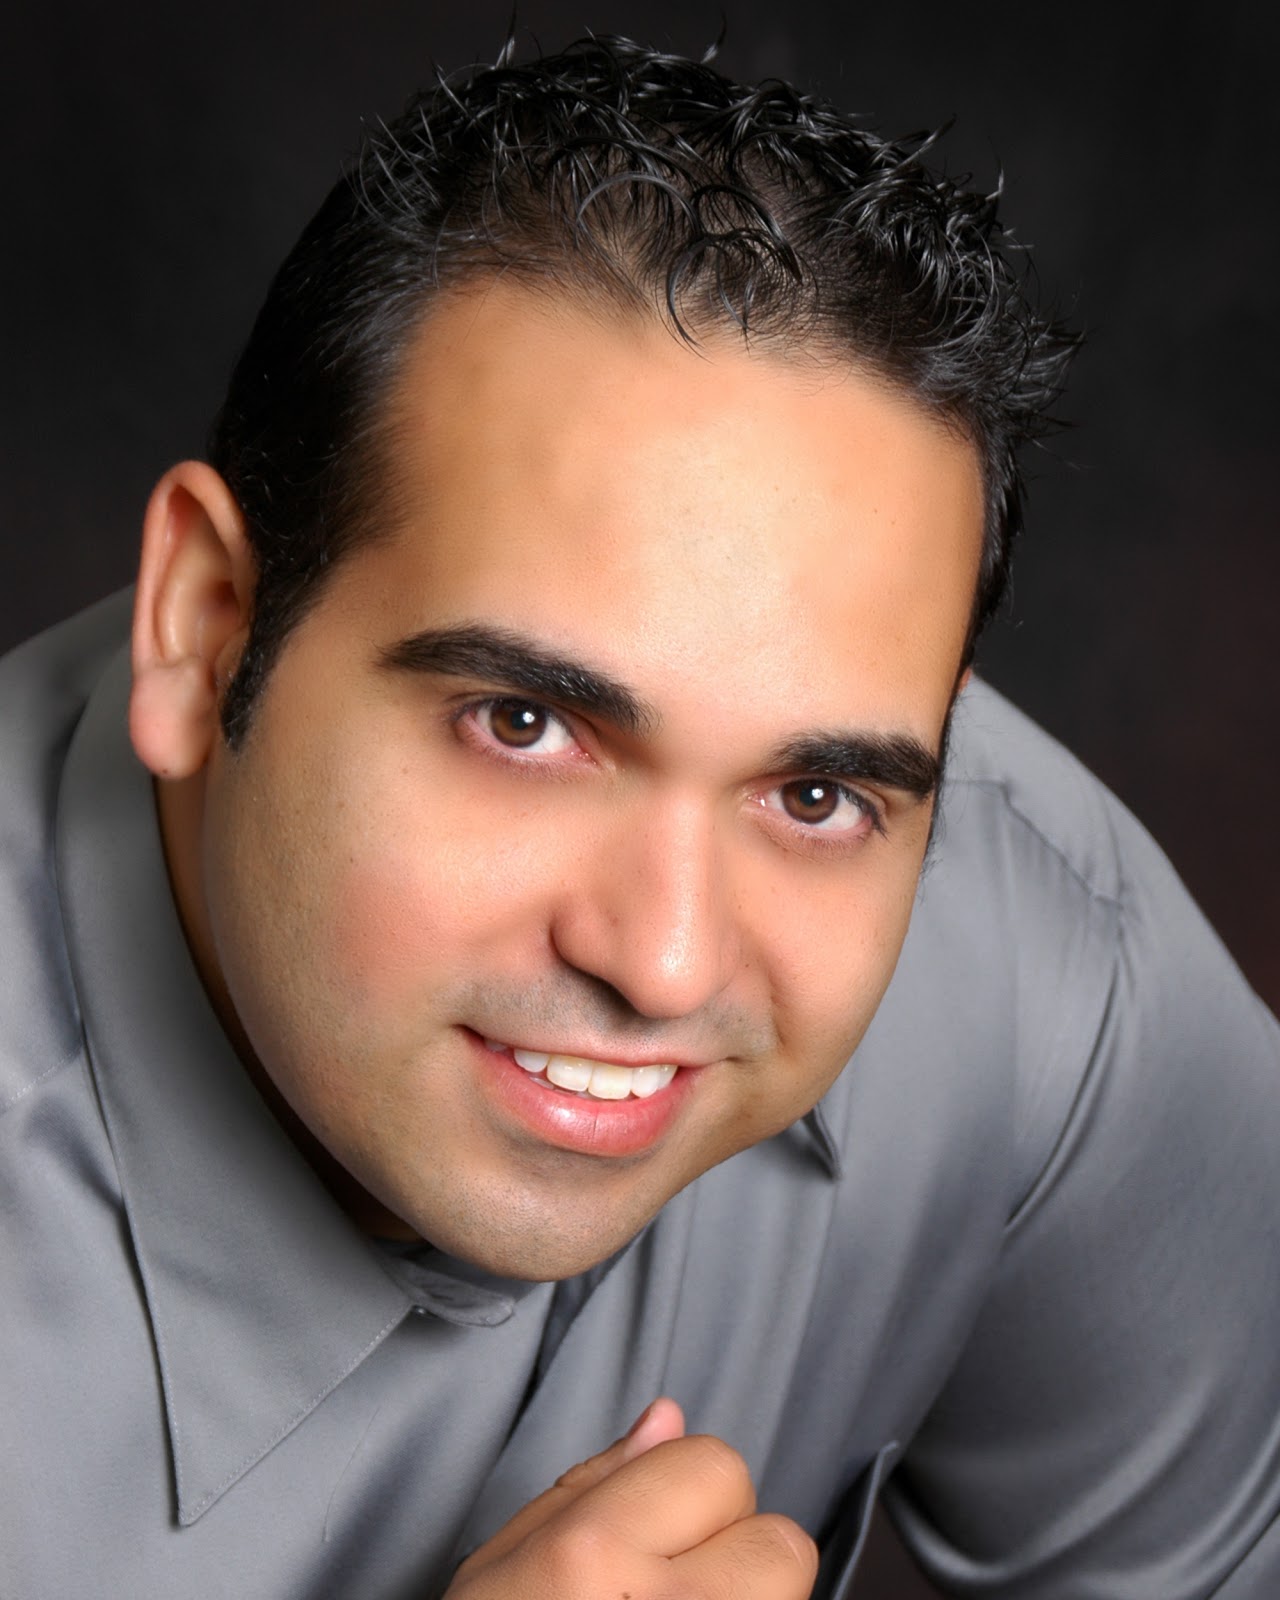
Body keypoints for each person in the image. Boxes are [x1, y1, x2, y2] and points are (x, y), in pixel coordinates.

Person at [2, 34, 1277, 1600]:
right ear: (203, 625)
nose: (665, 962)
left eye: (813, 794)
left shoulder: (1036, 954)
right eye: (524, 724)